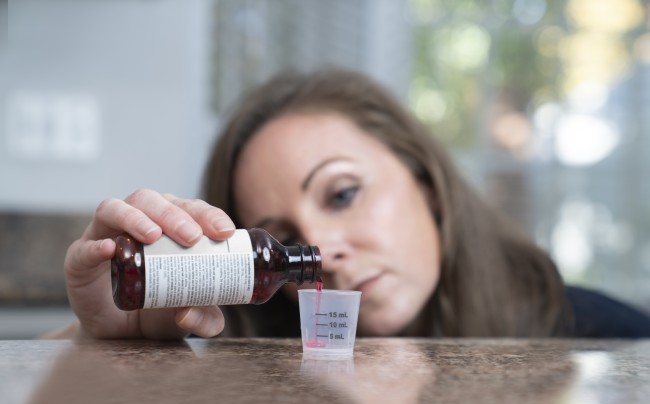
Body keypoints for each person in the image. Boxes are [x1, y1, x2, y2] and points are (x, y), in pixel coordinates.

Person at [55, 69, 650, 340]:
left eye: (342, 193)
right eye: (281, 235)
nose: (325, 249)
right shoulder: (252, 370)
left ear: (427, 183)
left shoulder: (596, 340)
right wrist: (109, 346)